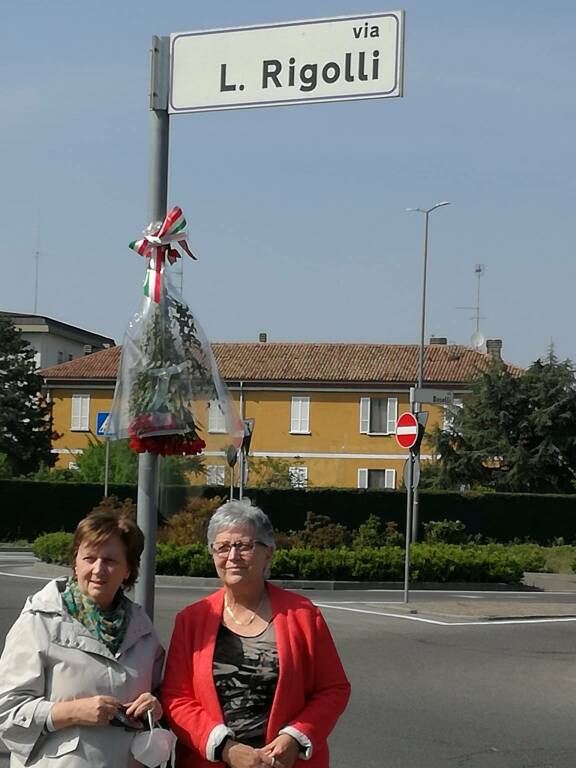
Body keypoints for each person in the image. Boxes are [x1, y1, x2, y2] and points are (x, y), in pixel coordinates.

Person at [162, 500, 350, 768]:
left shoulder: (304, 614)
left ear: (268, 553)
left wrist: (295, 736)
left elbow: (334, 688)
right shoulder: (191, 620)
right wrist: (225, 748)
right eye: (222, 547)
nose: (232, 556)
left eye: (244, 546)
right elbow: (175, 697)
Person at [0, 504, 165, 768]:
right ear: (75, 563)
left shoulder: (143, 630)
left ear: (127, 570)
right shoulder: (39, 620)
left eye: (110, 561)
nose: (99, 570)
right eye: (89, 558)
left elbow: (159, 696)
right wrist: (71, 712)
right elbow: (6, 712)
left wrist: (155, 707)